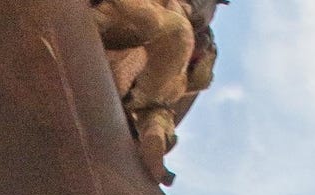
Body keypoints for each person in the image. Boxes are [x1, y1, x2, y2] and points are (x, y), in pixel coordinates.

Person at [91, 0, 221, 183]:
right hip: (109, 19)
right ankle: (151, 125)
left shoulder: (202, 39)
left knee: (178, 35)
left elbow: (193, 80)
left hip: (134, 75)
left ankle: (153, 131)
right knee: (164, 25)